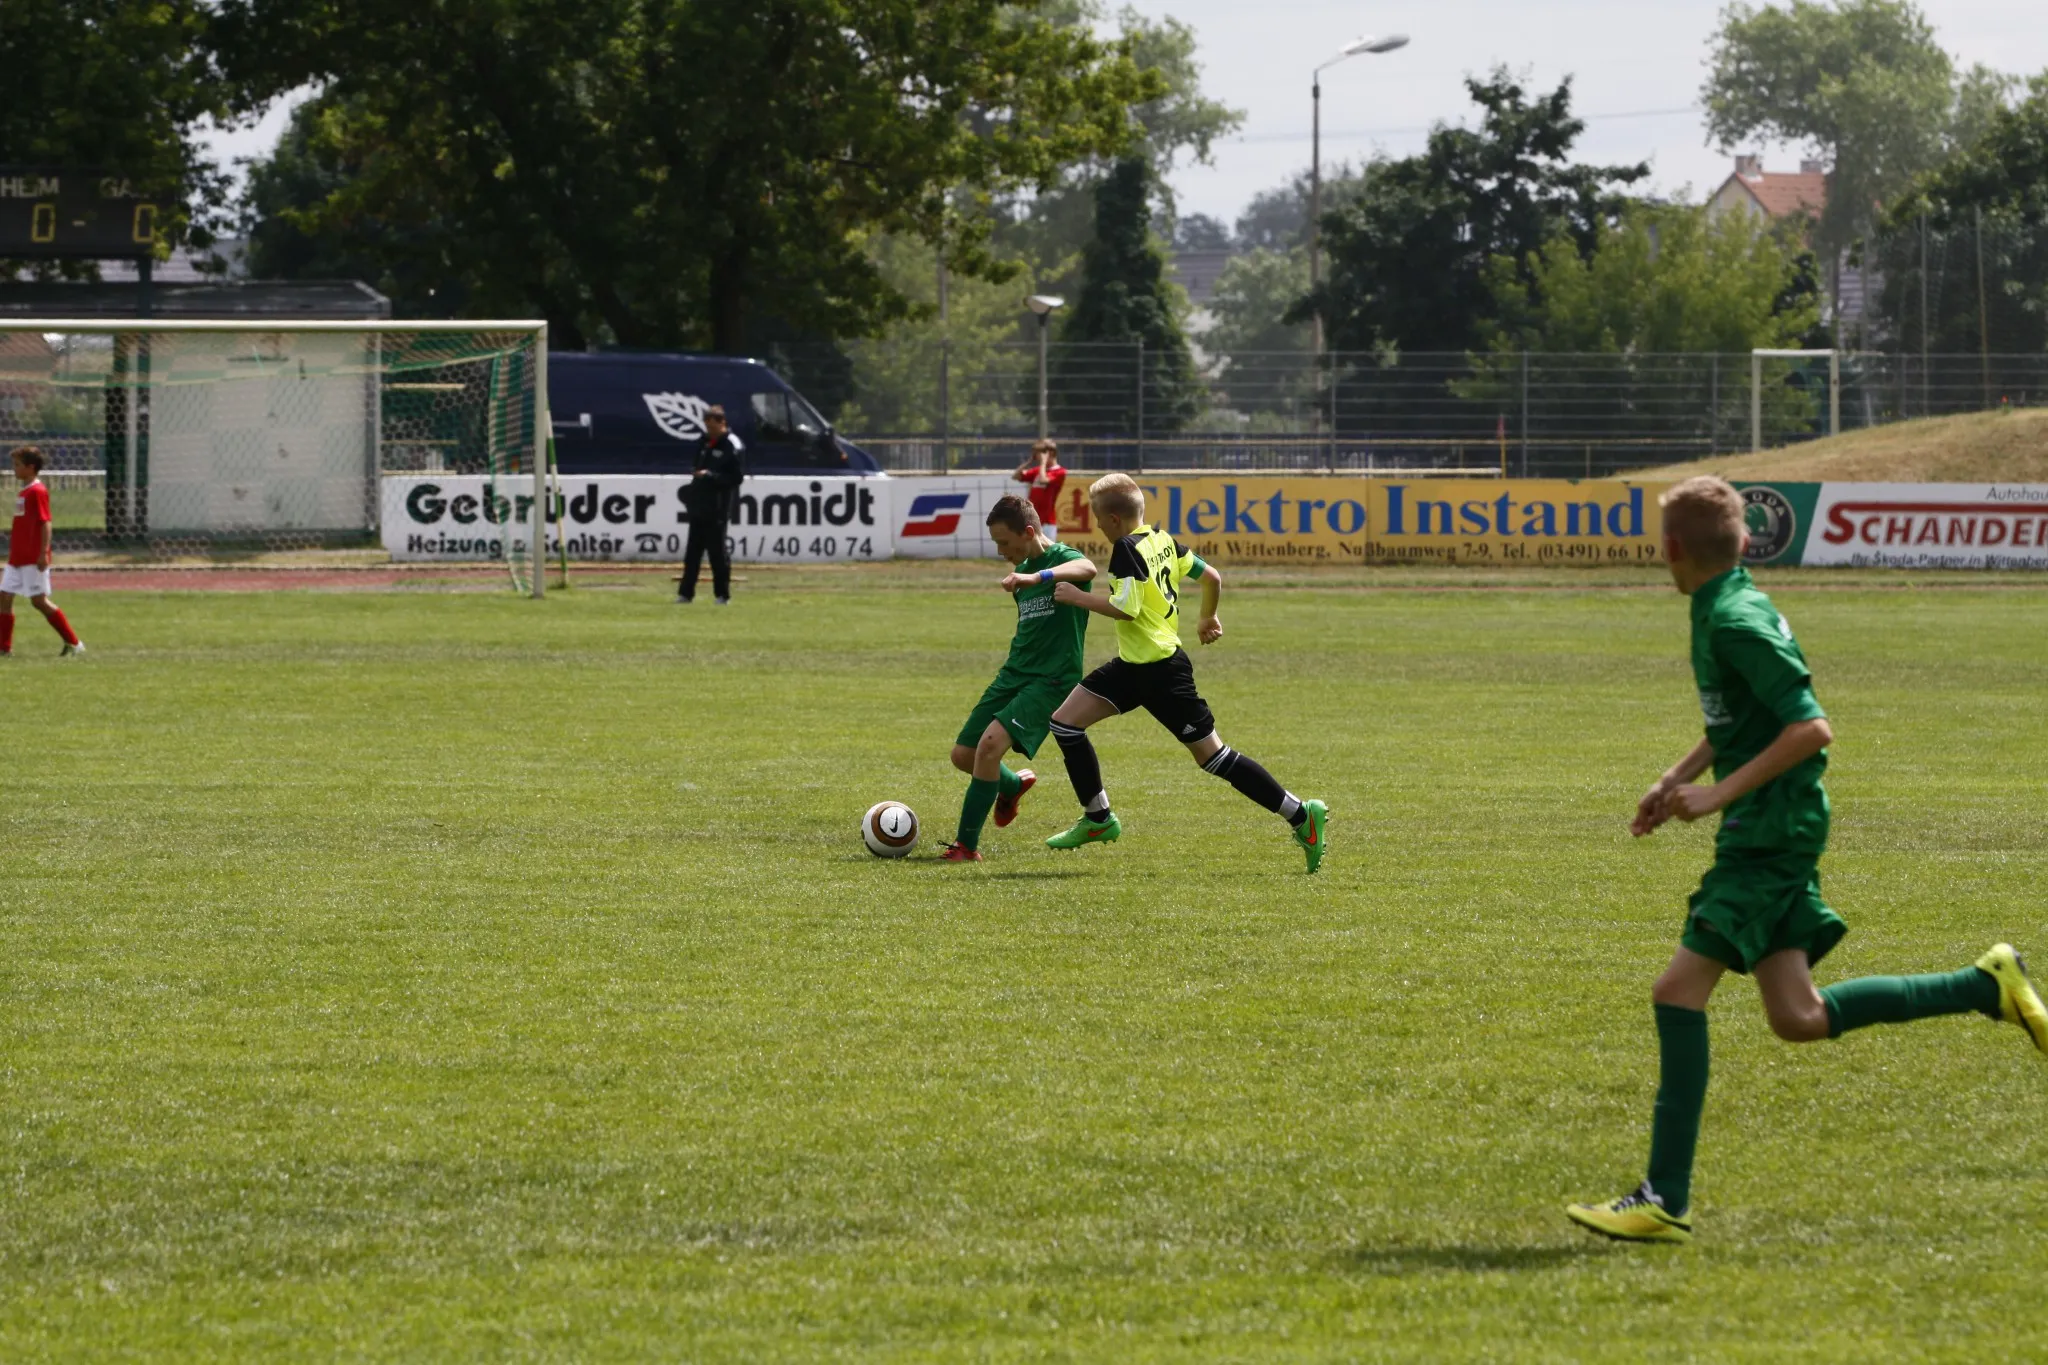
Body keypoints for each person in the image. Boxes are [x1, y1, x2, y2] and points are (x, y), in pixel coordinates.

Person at [1566, 475, 2046, 1245]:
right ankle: (1985, 984)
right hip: (1770, 824)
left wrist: (1718, 794)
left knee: (1676, 991)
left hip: (1770, 831)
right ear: (1742, 542)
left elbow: (1810, 727)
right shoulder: (1724, 600)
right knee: (1798, 1017)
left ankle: (1664, 1196)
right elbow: (1743, 718)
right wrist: (1675, 777)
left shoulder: (1734, 618)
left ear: (1671, 547)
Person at [1039, 472, 1327, 872]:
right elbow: (1211, 577)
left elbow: (1126, 609)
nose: (1097, 525)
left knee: (1213, 758)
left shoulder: (1125, 548)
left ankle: (1301, 814)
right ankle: (1098, 818)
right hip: (1132, 666)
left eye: (1098, 518)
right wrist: (1207, 616)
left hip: (1161, 673)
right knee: (1065, 724)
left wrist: (1077, 597)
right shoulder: (1162, 539)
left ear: (1115, 519)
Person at [938, 495, 1098, 863]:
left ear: (1028, 532)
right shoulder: (1020, 574)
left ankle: (965, 847)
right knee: (964, 755)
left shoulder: (1060, 560)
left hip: (1052, 679)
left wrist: (1038, 576)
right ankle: (1011, 785)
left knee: (989, 747)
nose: (1001, 552)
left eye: (1004, 542)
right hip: (1014, 673)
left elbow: (1088, 568)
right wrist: (1026, 575)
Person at [3, 446, 83, 658]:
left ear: (30, 468)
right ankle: (4, 648)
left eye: (17, 465)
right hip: (17, 558)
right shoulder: (24, 492)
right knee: (4, 597)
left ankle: (74, 643)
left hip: (31, 558)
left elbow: (45, 522)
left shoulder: (37, 491)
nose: (14, 469)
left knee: (38, 601)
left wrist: (43, 552)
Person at [678, 406, 744, 604]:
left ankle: (722, 595)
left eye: (713, 427)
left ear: (722, 423)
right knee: (692, 553)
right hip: (699, 505)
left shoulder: (732, 445)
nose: (710, 431)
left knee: (717, 553)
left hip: (717, 507)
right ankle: (685, 594)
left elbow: (736, 478)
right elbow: (697, 466)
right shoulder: (704, 442)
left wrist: (710, 476)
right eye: (707, 427)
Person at [1013, 438, 1067, 539]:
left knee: (1047, 549)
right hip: (1032, 520)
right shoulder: (1038, 470)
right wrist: (1029, 461)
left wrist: (1043, 462)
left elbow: (1043, 480)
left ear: (1050, 453)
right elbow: (1016, 476)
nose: (1037, 457)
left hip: (1047, 522)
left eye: (1040, 453)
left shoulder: (1060, 472)